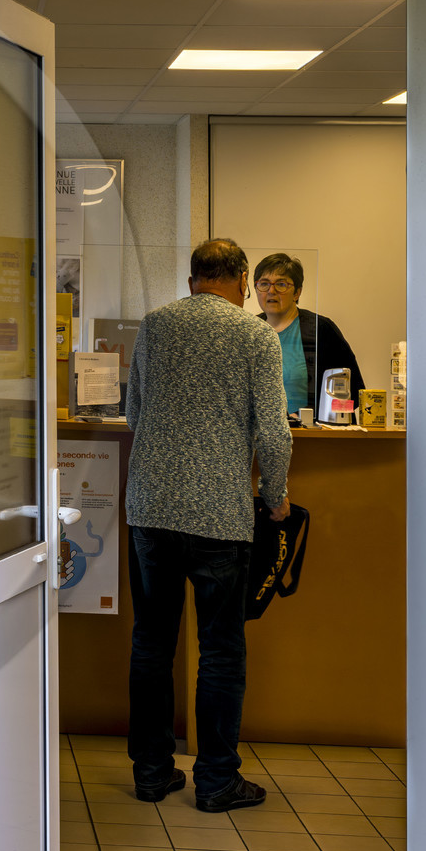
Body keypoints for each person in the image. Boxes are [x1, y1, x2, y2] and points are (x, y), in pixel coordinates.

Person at [124, 239, 292, 812]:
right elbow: (273, 431)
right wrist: (275, 496)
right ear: (242, 279)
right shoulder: (255, 335)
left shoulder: (154, 325)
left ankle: (152, 773)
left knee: (151, 641)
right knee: (220, 650)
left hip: (151, 508)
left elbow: (134, 413)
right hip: (220, 513)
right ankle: (217, 781)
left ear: (193, 277)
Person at [252, 253, 366, 416]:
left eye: (281, 284)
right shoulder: (249, 330)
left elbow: (353, 390)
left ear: (297, 293)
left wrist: (316, 419)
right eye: (264, 284)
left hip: (313, 429)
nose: (271, 291)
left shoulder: (321, 329)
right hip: (261, 429)